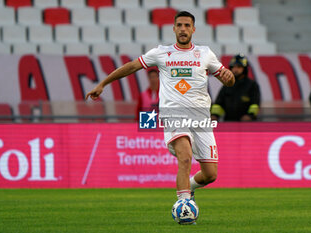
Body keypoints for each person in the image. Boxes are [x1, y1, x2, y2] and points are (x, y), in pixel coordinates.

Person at [86, 11, 234, 204]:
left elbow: (226, 78)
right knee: (185, 156)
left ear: (193, 29)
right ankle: (183, 204)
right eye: (179, 25)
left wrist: (229, 78)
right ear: (173, 28)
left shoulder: (205, 53)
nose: (183, 29)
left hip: (201, 119)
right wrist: (103, 84)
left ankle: (188, 186)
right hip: (174, 114)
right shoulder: (161, 53)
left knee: (210, 174)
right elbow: (131, 66)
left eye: (187, 25)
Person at [211, 54, 260, 121]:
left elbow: (255, 105)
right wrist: (214, 115)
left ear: (244, 69)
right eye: (233, 67)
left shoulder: (252, 85)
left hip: (247, 124)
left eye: (239, 67)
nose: (235, 69)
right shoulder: (227, 84)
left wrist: (250, 115)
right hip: (229, 122)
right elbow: (219, 104)